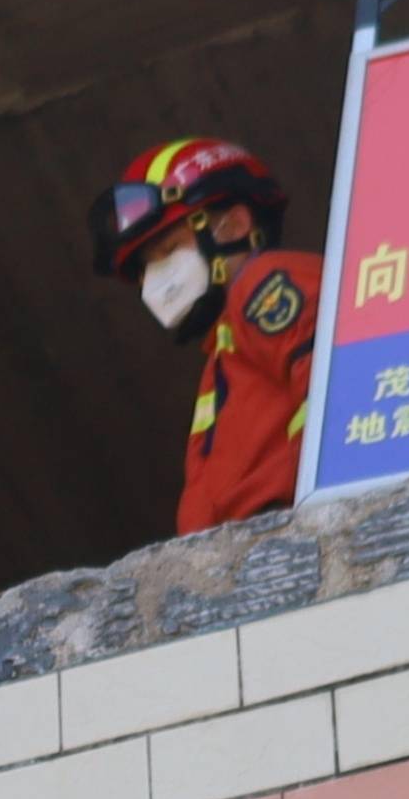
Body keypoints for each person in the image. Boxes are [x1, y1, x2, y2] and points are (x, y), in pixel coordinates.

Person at [91, 137, 325, 538]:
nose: (156, 280)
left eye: (167, 250)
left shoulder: (263, 284)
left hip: (298, 540)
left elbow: (343, 402)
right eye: (147, 268)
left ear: (234, 225)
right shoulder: (223, 352)